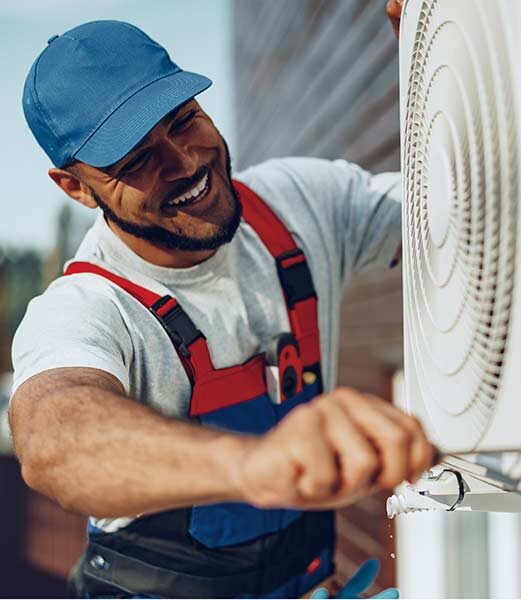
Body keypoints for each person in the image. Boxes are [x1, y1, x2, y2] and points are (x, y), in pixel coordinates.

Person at [9, 3, 434, 598]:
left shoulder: (300, 204)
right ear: (76, 187)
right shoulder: (87, 307)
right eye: (136, 161)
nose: (184, 163)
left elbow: (460, 206)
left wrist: (436, 56)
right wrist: (254, 465)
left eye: (183, 121)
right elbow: (55, 441)